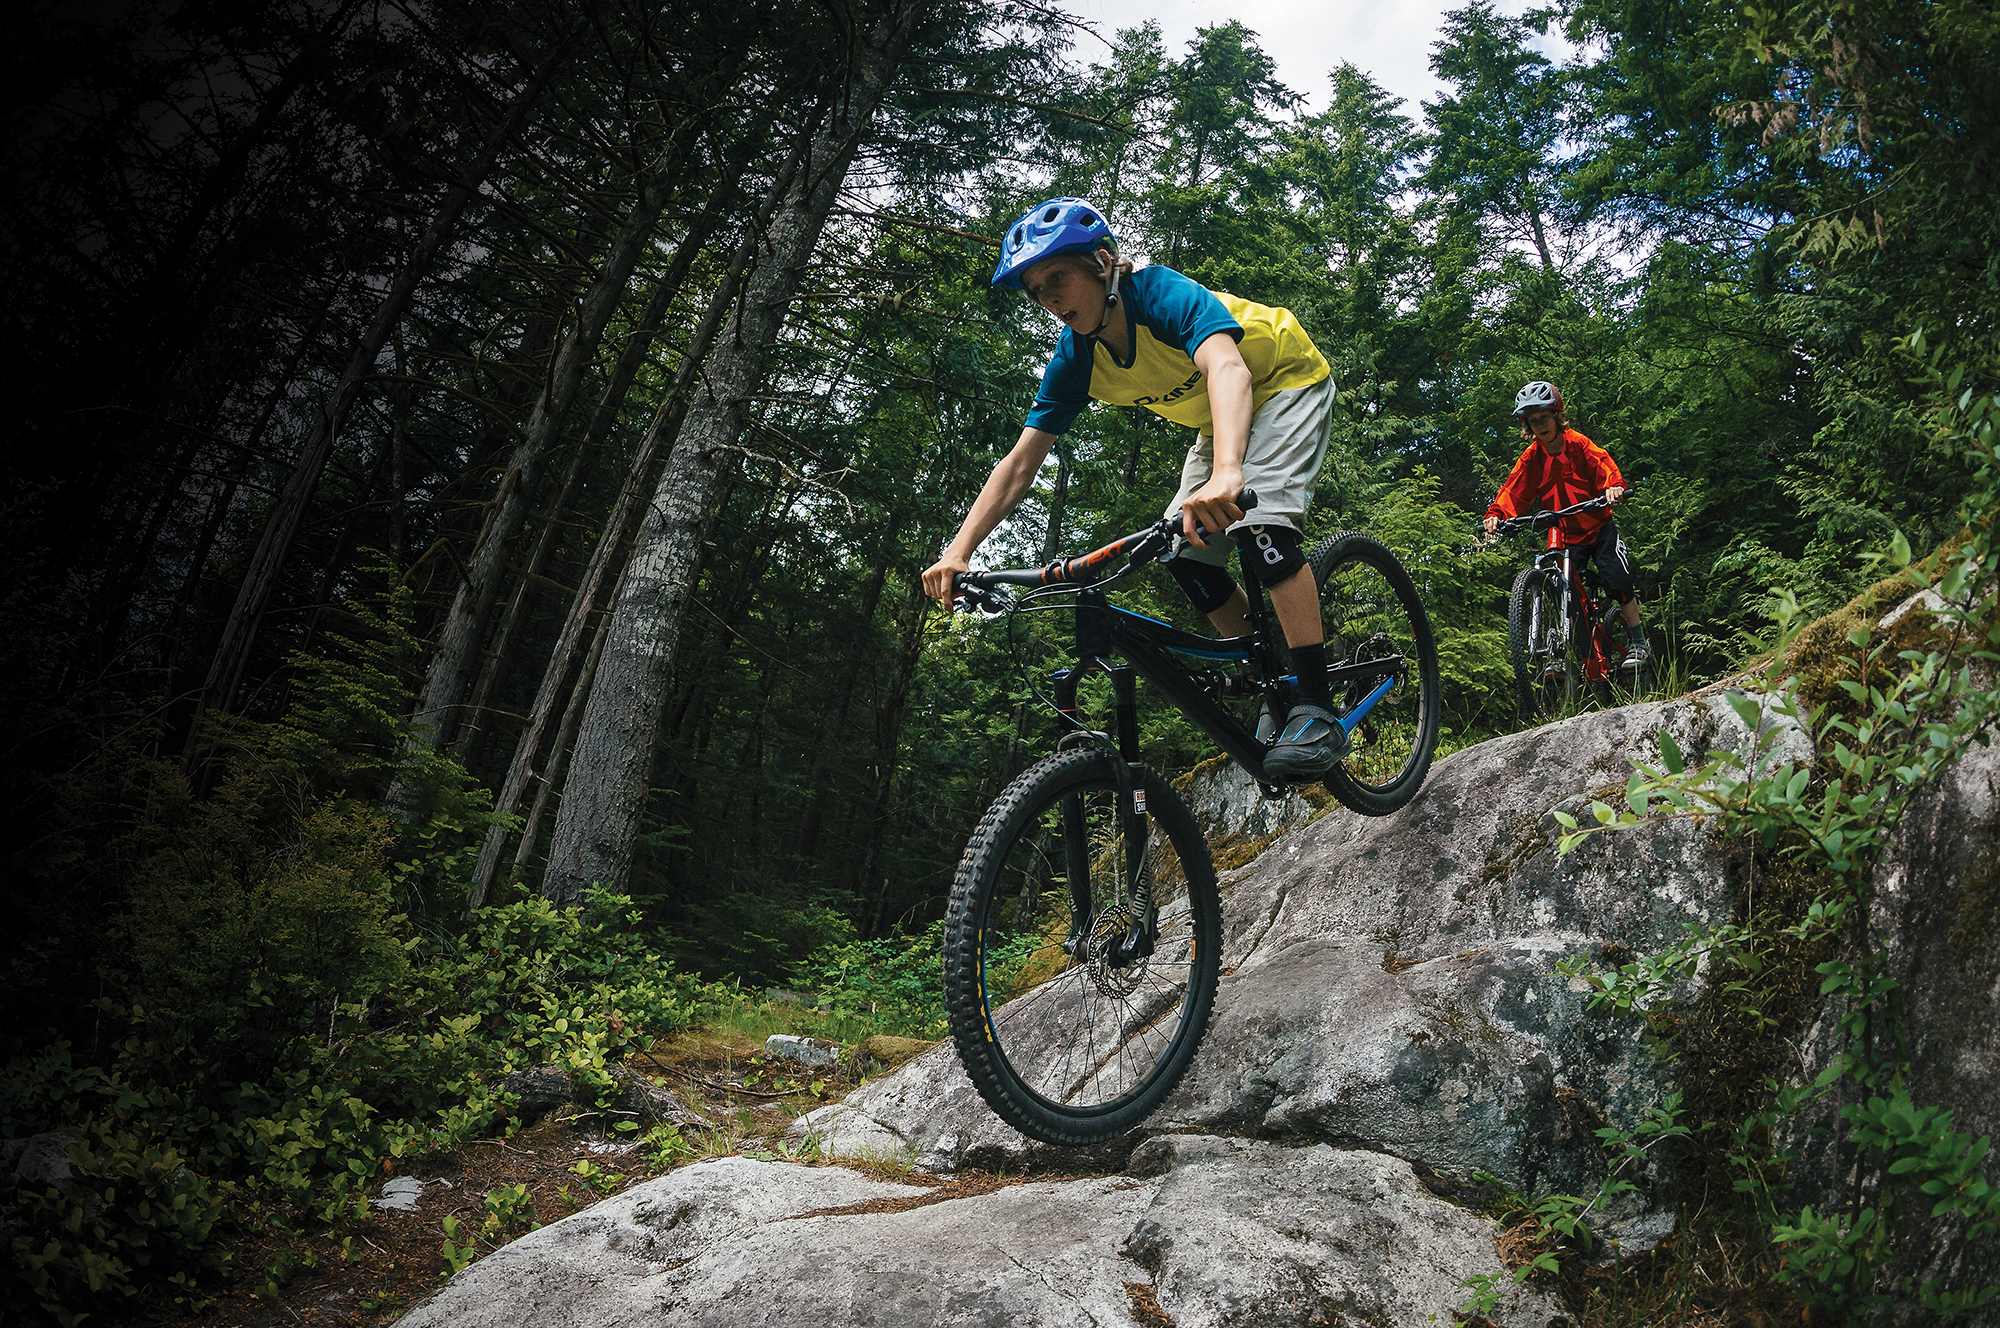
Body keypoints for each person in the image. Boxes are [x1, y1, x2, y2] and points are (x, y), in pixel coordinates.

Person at [920, 197, 1343, 780]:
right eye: (1036, 291)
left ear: (1103, 263)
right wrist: (958, 551)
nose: (1049, 300)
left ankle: (1316, 705)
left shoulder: (1159, 296)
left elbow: (1228, 369)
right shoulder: (1075, 357)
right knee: (1183, 551)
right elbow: (1020, 463)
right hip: (1218, 416)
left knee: (1259, 524)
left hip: (1284, 379)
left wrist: (1227, 472)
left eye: (1057, 279)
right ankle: (1273, 676)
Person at [1482, 381, 1649, 668]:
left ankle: (1638, 641)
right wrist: (1497, 513)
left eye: (1544, 417)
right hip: (1565, 535)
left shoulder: (1578, 444)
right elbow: (1514, 490)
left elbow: (1602, 463)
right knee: (1562, 591)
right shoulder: (1532, 458)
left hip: (1598, 527)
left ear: (1557, 415)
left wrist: (1614, 486)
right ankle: (1560, 653)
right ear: (1527, 426)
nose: (1540, 425)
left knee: (1618, 580)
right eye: (1533, 421)